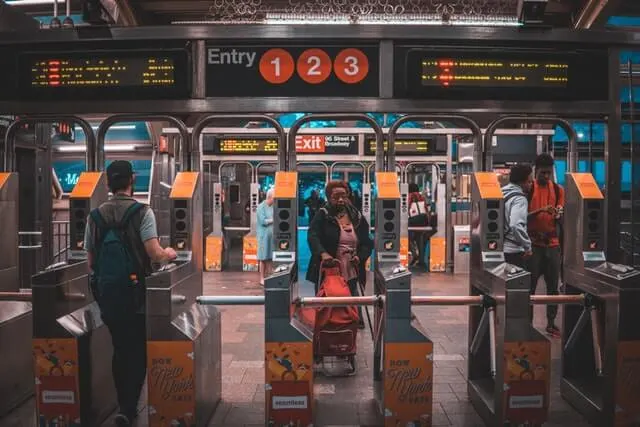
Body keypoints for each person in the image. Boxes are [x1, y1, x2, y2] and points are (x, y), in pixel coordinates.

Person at [83, 160, 177, 426]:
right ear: (131, 181)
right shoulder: (142, 213)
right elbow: (154, 253)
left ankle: (124, 403)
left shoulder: (95, 216)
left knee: (119, 346)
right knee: (136, 348)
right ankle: (128, 405)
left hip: (107, 294)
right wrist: (169, 253)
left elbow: (90, 262)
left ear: (109, 184)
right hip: (135, 292)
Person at [307, 181, 373, 328]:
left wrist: (360, 257)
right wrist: (323, 254)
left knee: (353, 293)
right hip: (329, 267)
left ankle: (354, 322)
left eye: (344, 196)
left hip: (351, 267)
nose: (341, 200)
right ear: (329, 197)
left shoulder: (357, 216)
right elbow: (313, 236)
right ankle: (327, 323)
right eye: (336, 196)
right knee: (328, 296)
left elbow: (367, 242)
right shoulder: (322, 215)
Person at [527, 153, 564, 338]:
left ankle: (551, 322)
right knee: (530, 286)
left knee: (553, 287)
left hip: (553, 244)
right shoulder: (528, 189)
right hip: (534, 245)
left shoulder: (558, 190)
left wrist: (559, 214)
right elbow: (521, 217)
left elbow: (562, 214)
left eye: (549, 173)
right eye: (543, 173)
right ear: (536, 171)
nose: (546, 177)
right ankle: (528, 323)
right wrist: (540, 210)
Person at [502, 163, 534, 268]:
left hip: (501, 248)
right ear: (521, 182)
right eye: (529, 181)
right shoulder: (520, 199)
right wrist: (527, 246)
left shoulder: (502, 192)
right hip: (514, 251)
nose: (531, 184)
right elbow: (516, 224)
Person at [408, 183, 429, 269]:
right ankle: (421, 260)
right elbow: (426, 209)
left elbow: (406, 208)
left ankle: (414, 253)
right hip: (423, 220)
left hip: (413, 220)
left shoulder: (409, 196)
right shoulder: (422, 197)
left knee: (408, 237)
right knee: (420, 238)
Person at [257, 189, 274, 285]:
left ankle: (270, 276)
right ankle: (262, 278)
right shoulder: (261, 207)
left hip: (271, 236)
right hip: (263, 236)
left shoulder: (273, 206)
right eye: (274, 198)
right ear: (270, 197)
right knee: (263, 257)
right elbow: (263, 221)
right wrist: (273, 220)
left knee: (270, 257)